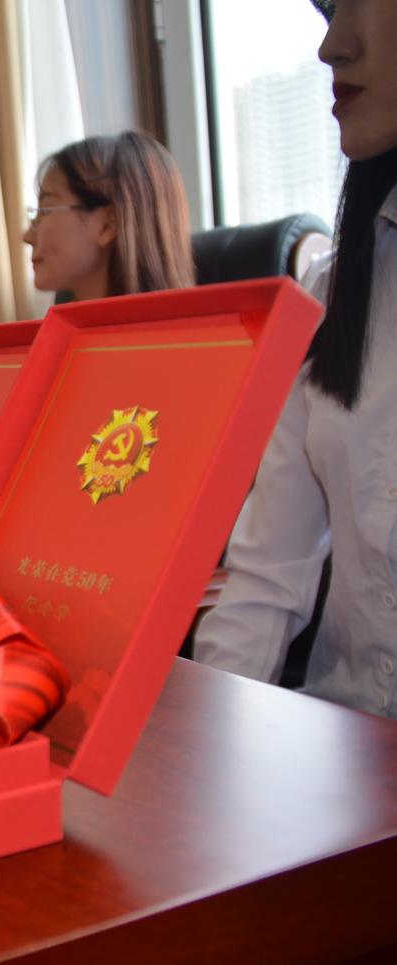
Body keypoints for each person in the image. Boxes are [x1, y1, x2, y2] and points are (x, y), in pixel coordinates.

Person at [194, 0, 397, 720]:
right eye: (330, 9)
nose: (331, 45)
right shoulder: (332, 290)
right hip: (345, 741)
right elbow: (267, 575)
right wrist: (208, 744)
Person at [22, 130, 195, 301]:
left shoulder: (182, 322)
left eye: (44, 211)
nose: (26, 237)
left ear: (108, 225)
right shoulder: (62, 313)